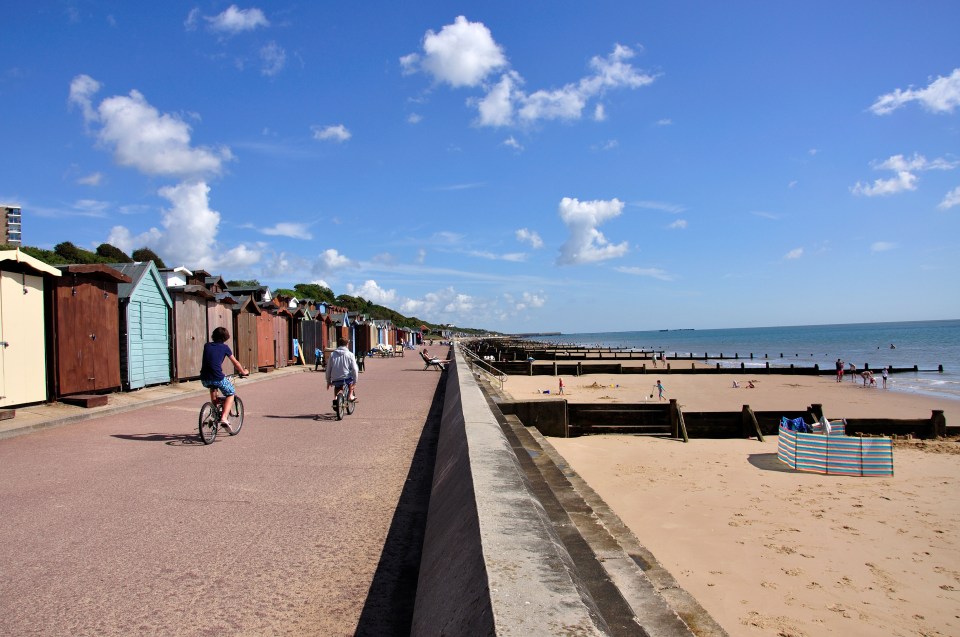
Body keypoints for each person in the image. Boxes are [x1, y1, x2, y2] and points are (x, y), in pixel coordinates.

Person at [200, 327, 248, 432]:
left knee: (213, 387)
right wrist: (243, 372)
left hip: (204, 378)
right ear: (225, 337)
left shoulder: (207, 346)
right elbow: (235, 362)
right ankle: (224, 418)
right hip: (218, 377)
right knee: (230, 393)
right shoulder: (225, 348)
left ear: (213, 335)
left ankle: (214, 410)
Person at [326, 337, 359, 405]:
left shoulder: (332, 354)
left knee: (337, 386)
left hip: (335, 378)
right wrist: (355, 381)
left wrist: (328, 381)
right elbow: (355, 369)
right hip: (346, 378)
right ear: (347, 344)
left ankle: (335, 398)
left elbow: (328, 368)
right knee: (351, 381)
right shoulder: (350, 354)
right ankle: (350, 395)